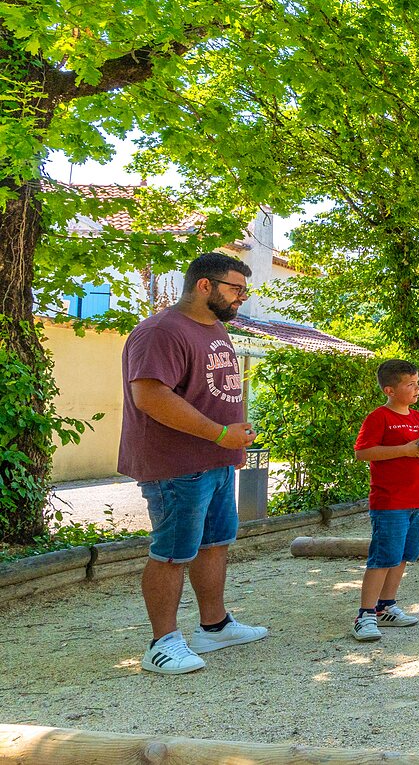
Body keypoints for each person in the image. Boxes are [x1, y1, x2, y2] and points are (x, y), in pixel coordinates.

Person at [121, 252, 268, 675]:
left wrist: (230, 442)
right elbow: (149, 396)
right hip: (176, 464)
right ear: (204, 285)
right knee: (172, 553)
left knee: (214, 544)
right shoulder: (162, 331)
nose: (242, 297)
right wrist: (220, 434)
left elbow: (211, 391)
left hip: (215, 461)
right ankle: (162, 644)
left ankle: (215, 626)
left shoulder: (215, 327)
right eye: (235, 289)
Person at [351, 359, 419, 641]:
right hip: (390, 501)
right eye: (410, 384)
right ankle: (365, 614)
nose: (417, 388)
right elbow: (363, 452)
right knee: (382, 558)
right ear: (390, 390)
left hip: (418, 501)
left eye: (417, 383)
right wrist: (404, 449)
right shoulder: (379, 417)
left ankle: (386, 606)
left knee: (402, 555)